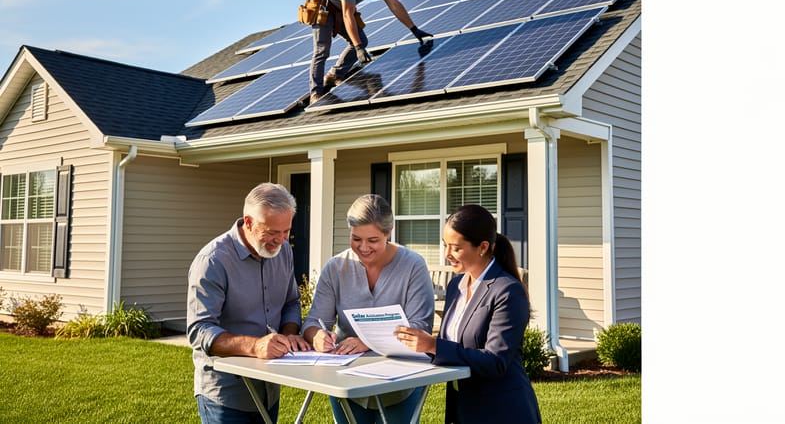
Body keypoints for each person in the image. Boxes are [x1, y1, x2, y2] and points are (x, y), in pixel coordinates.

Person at [394, 204, 542, 423]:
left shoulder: (508, 290)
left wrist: (433, 345)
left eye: (455, 248)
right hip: (462, 408)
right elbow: (454, 346)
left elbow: (496, 361)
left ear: (482, 247)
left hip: (502, 410)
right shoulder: (456, 286)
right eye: (445, 246)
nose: (446, 255)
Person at [301, 194, 434, 424]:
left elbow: (419, 328)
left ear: (388, 232)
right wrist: (318, 336)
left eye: (372, 240)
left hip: (400, 382)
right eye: (356, 239)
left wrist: (367, 341)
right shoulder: (335, 267)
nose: (363, 248)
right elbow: (313, 322)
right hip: (347, 380)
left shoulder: (413, 265)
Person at [187, 182, 311, 424]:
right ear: (249, 222)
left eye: (286, 231)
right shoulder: (212, 261)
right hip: (225, 395)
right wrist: (255, 347)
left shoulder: (283, 251)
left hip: (269, 389)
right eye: (273, 232)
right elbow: (199, 331)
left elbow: (291, 303)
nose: (281, 240)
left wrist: (290, 333)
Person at [308, 0, 433, 104]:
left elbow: (394, 4)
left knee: (361, 40)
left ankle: (335, 75)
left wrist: (414, 29)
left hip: (342, 9)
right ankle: (315, 93)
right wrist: (358, 47)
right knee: (323, 50)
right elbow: (348, 14)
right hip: (325, 8)